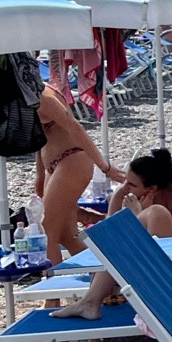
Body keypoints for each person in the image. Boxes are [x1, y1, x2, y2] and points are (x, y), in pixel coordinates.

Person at [34, 87, 122, 263]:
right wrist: (40, 173)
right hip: (56, 165)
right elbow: (40, 136)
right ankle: (105, 272)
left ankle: (54, 286)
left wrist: (105, 167)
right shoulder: (26, 94)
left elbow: (76, 128)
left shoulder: (42, 96)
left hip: (72, 159)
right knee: (66, 236)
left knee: (46, 230)